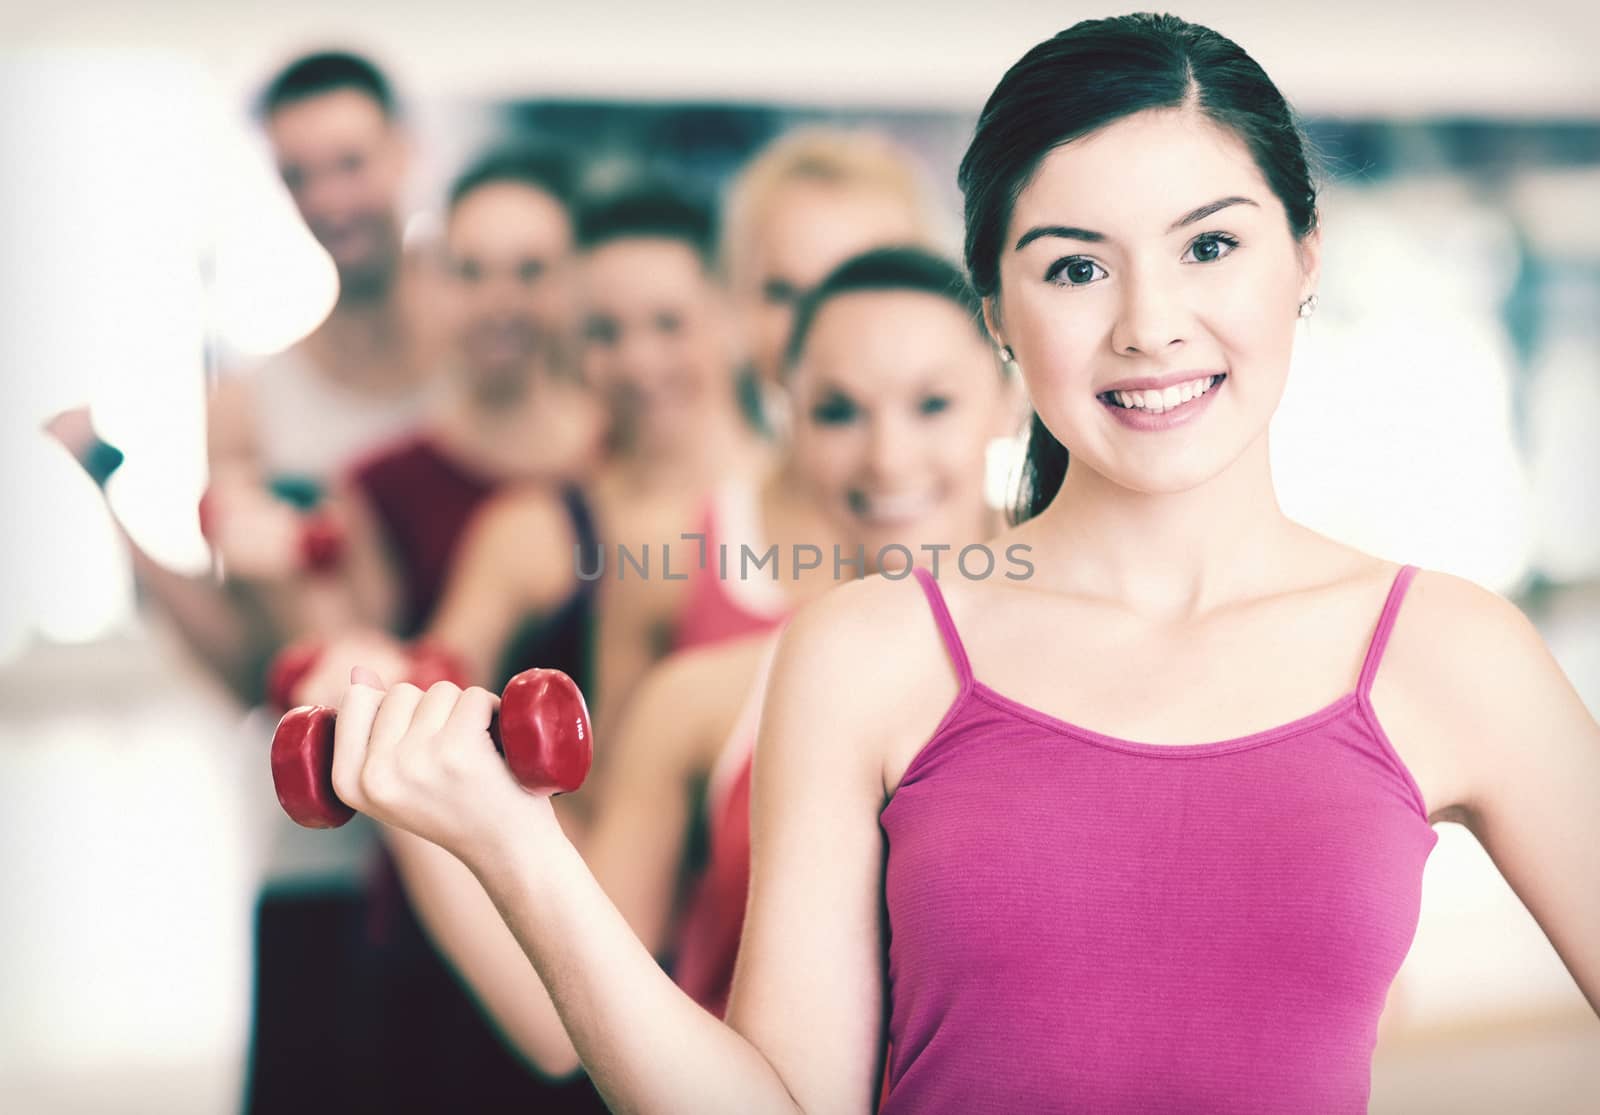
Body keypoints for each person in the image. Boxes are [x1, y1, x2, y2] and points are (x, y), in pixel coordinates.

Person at [321, 15, 1600, 1113]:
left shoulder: (1449, 651)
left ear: (1302, 262)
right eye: (1074, 267)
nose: (1150, 321)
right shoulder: (868, 650)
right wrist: (513, 844)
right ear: (994, 308)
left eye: (1210, 245)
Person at [344, 246, 1018, 1079]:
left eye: (934, 404)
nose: (887, 456)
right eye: (838, 412)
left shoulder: (1099, 672)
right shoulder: (699, 698)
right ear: (790, 427)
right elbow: (556, 1027)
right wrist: (399, 777)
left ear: (1010, 401)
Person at [670, 128, 949, 654]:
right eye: (783, 292)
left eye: (856, 283)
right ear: (733, 303)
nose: (820, 327)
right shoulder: (671, 552)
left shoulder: (1024, 545)